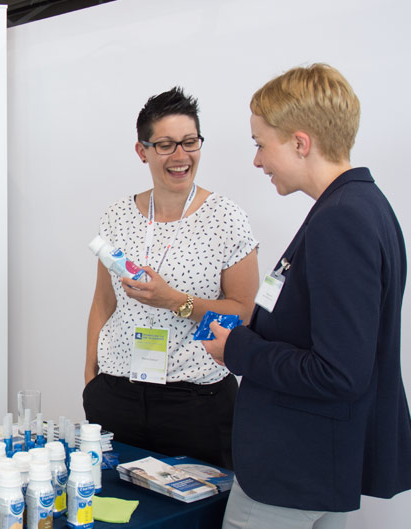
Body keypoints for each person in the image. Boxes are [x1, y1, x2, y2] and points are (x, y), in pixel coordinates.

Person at [204, 64, 411, 528]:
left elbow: (339, 372)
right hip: (319, 463)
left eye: (260, 144)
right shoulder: (362, 205)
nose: (257, 161)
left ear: (300, 143)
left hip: (293, 466)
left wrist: (237, 348)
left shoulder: (342, 219)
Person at [83, 87, 259, 469]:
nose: (181, 156)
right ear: (142, 151)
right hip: (118, 393)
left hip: (196, 401)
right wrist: (90, 376)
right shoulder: (116, 216)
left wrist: (174, 301)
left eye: (189, 142)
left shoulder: (226, 218)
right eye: (165, 145)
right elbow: (104, 301)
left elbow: (243, 312)